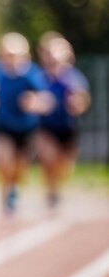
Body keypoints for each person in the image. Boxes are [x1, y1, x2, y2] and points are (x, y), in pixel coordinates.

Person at [0, 32, 52, 214]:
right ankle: (6, 195)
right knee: (3, 161)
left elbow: (46, 100)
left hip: (27, 129)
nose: (10, 58)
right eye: (6, 54)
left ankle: (13, 189)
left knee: (20, 169)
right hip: (3, 127)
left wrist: (34, 102)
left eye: (14, 54)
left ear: (24, 55)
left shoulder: (31, 75)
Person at [35, 32, 90, 208]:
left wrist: (77, 104)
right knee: (48, 158)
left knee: (65, 167)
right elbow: (31, 99)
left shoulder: (73, 77)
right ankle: (51, 192)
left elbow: (83, 100)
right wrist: (37, 103)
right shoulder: (40, 77)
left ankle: (55, 187)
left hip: (68, 127)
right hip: (46, 127)